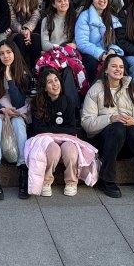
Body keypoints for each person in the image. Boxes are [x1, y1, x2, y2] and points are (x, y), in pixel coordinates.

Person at [81, 53, 134, 198]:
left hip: (129, 144)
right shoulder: (96, 90)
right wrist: (110, 119)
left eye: (121, 67)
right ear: (106, 70)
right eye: (114, 66)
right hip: (105, 144)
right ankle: (107, 179)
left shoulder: (131, 88)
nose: (118, 69)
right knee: (118, 128)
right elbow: (87, 123)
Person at [26, 68, 97, 197]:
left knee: (70, 150)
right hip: (45, 139)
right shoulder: (37, 103)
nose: (54, 84)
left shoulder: (68, 101)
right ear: (44, 87)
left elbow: (72, 128)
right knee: (53, 150)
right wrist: (57, 131)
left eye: (56, 80)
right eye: (49, 82)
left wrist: (52, 129)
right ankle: (46, 181)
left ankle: (71, 182)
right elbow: (38, 129)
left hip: (66, 138)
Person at [0, 40, 31, 200]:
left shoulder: (23, 72)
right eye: (2, 53)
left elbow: (19, 102)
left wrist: (10, 78)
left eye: (9, 52)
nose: (5, 56)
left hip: (16, 111)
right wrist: (2, 109)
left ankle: (23, 172)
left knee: (19, 124)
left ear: (14, 53)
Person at [74, 0, 125, 81]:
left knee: (121, 62)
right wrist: (101, 55)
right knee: (92, 63)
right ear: (91, 0)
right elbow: (82, 43)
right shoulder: (84, 16)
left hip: (107, 52)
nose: (101, 0)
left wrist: (112, 50)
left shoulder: (110, 16)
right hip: (90, 54)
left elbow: (115, 40)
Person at [6, 0, 43, 66]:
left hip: (33, 28)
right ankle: (21, 70)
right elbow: (12, 19)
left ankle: (35, 70)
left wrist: (28, 29)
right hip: (16, 29)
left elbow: (37, 13)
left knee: (36, 39)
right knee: (19, 39)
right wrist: (22, 30)